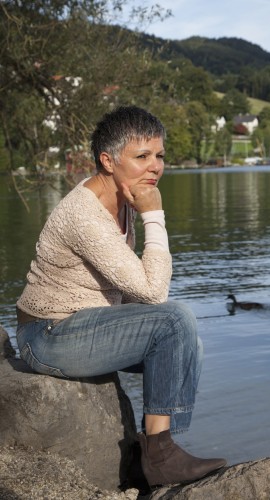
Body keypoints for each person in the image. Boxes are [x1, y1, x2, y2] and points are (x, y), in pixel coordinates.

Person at [16, 105, 226, 488]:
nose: (155, 167)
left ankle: (153, 449)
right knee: (175, 320)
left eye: (159, 155)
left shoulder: (122, 199)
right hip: (48, 336)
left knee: (187, 341)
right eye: (142, 156)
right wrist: (155, 217)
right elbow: (152, 291)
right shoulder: (85, 214)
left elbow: (137, 293)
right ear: (108, 161)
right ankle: (160, 457)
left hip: (84, 324)